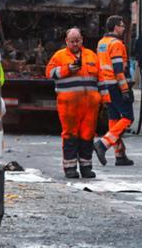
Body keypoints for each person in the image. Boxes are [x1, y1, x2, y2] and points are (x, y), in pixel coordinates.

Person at [45, 28, 101, 179]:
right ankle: (70, 168)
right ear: (66, 41)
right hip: (68, 106)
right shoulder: (59, 56)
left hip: (90, 105)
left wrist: (104, 99)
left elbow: (100, 78)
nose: (75, 44)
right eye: (72, 41)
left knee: (87, 136)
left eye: (77, 41)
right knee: (70, 135)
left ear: (82, 40)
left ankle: (86, 168)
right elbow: (49, 73)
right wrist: (67, 69)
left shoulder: (91, 55)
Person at [94, 16, 135, 167]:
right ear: (116, 27)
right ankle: (103, 144)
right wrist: (125, 89)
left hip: (105, 85)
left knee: (114, 118)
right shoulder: (116, 44)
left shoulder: (101, 43)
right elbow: (118, 70)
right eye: (122, 26)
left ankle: (120, 155)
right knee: (128, 117)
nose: (123, 28)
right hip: (116, 85)